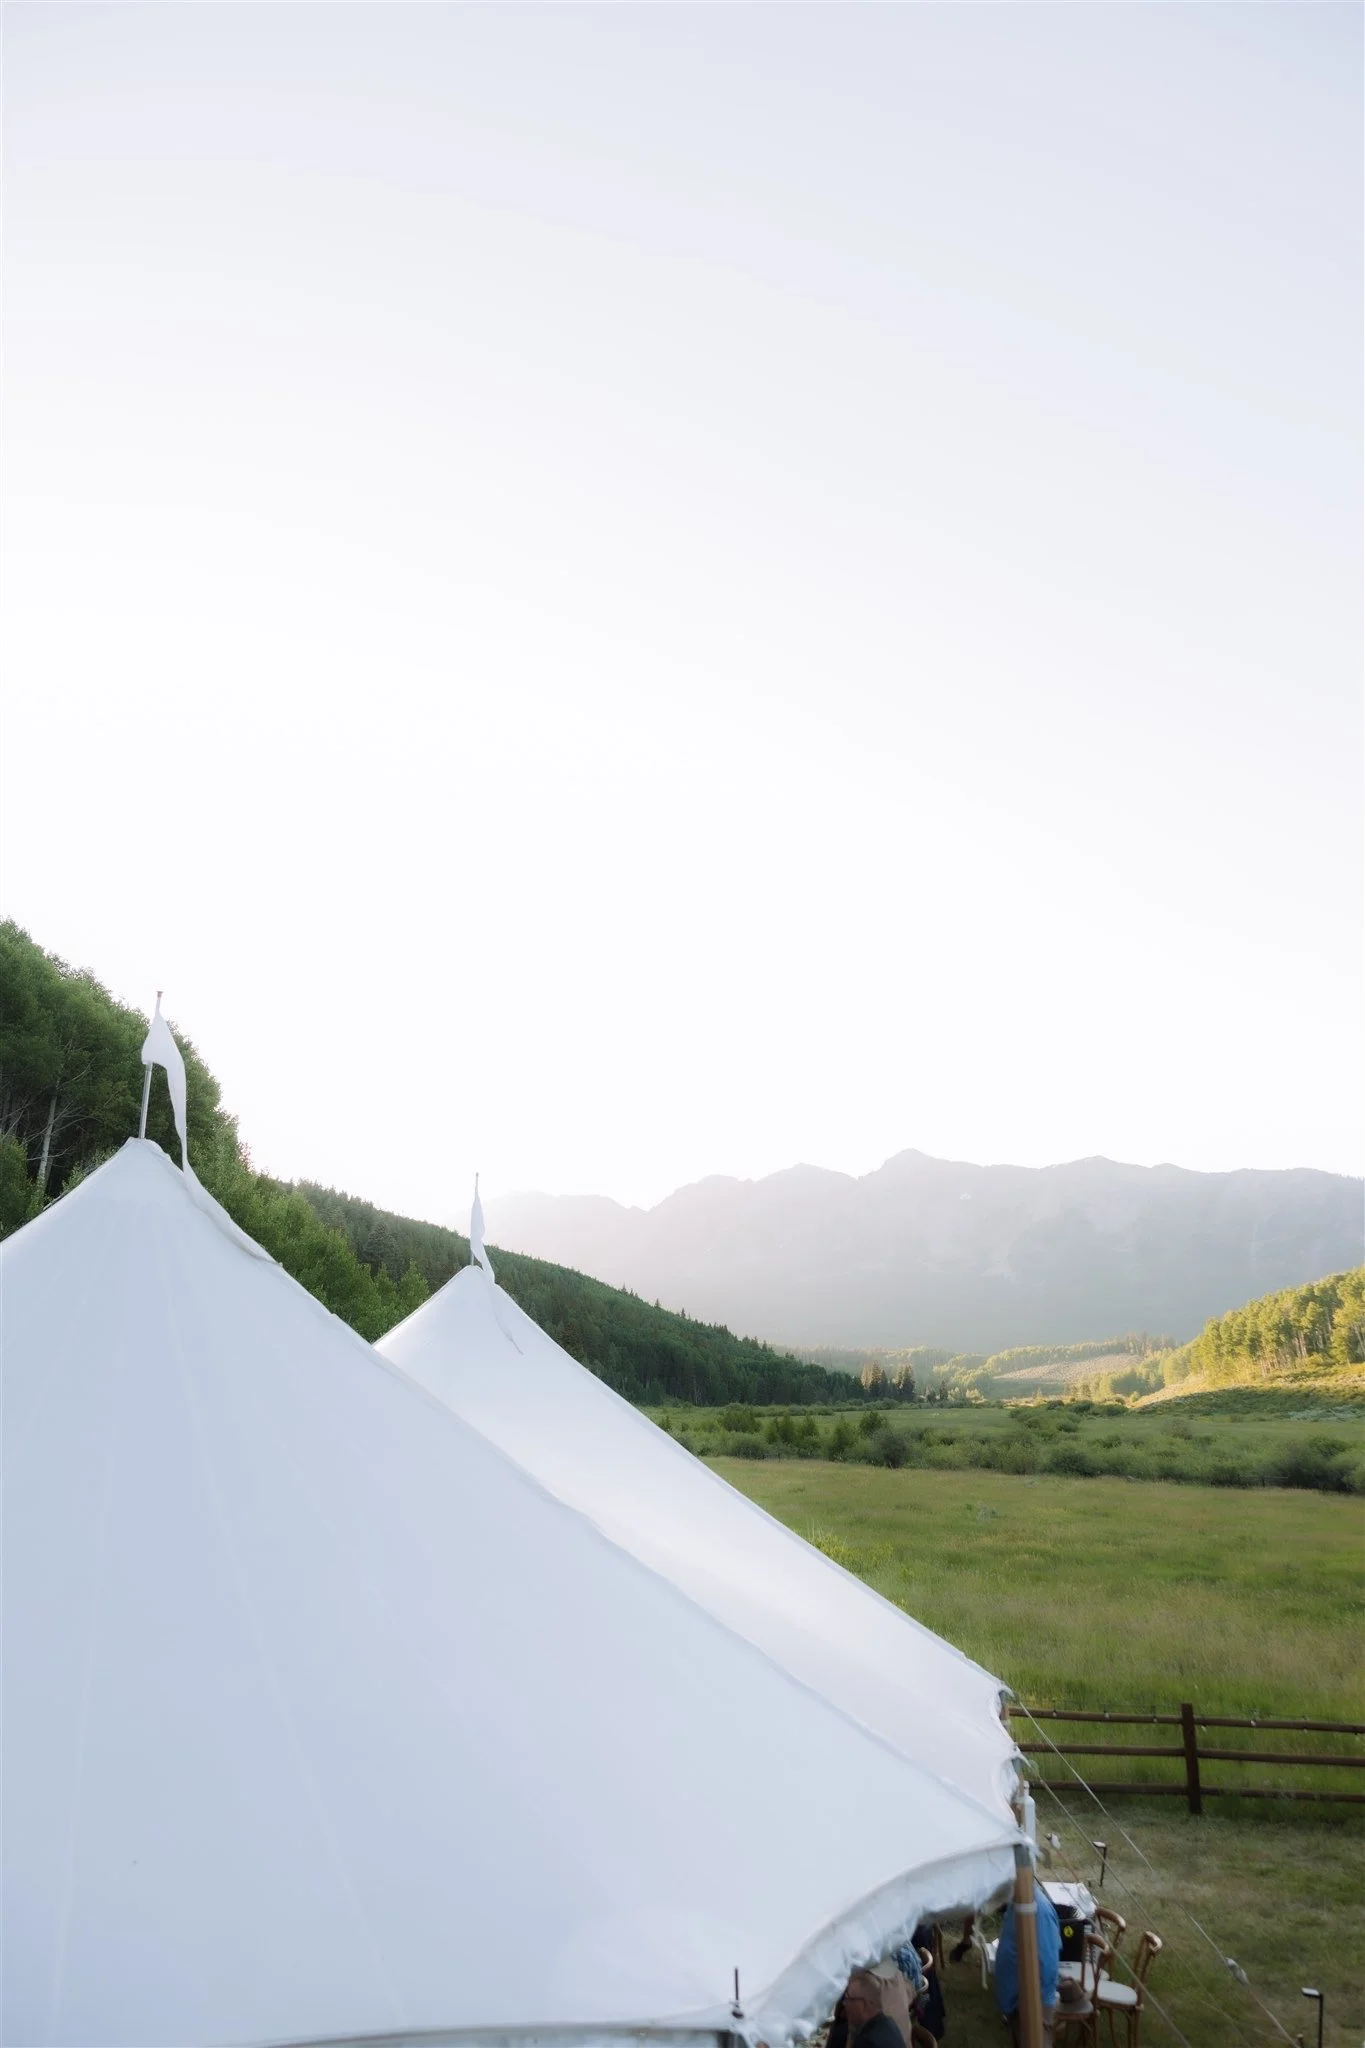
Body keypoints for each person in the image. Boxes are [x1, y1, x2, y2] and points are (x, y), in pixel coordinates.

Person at [993, 1885, 1062, 2044]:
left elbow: (1048, 1963)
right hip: (1017, 2002)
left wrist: (1039, 2010)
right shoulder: (1018, 1901)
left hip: (1032, 2004)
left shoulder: (1038, 1910)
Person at [829, 1969, 909, 2048]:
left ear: (863, 2004)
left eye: (848, 1998)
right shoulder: (888, 2022)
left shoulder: (868, 2043)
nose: (844, 2003)